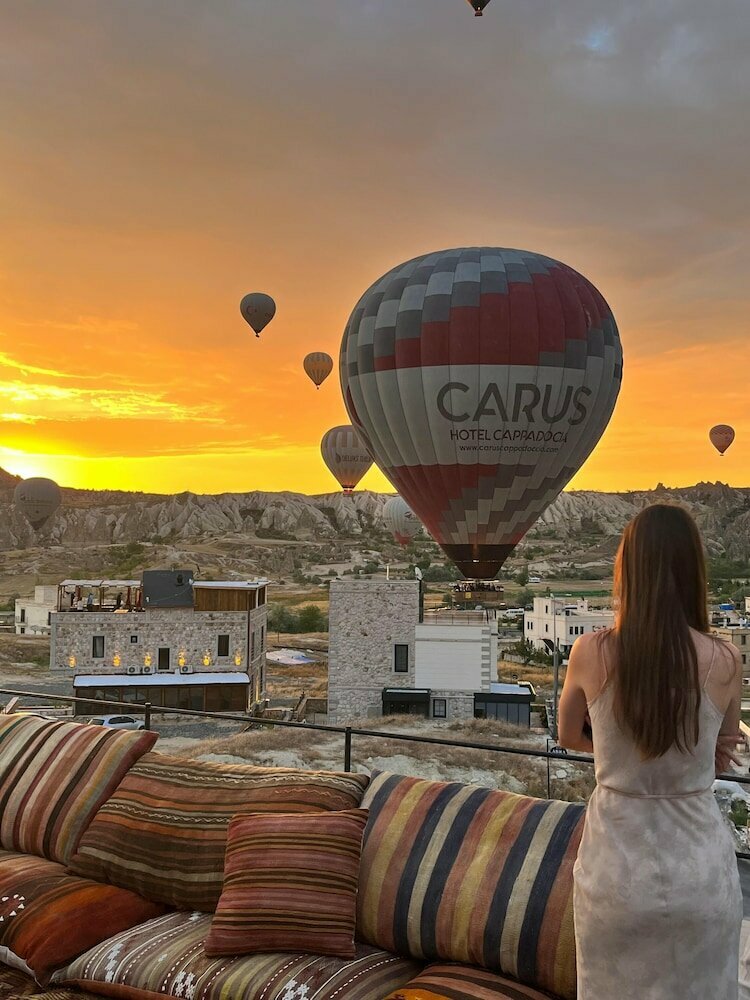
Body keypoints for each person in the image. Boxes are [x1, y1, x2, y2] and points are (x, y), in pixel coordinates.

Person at [558, 504, 742, 1000]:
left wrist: (617, 752)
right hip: (697, 866)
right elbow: (723, 748)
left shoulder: (590, 652)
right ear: (693, 569)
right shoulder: (725, 658)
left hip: (616, 866)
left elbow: (568, 734)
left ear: (628, 568)